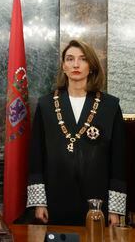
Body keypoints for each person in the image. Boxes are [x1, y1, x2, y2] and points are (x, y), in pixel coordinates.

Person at [27, 39, 126, 226]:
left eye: (82, 59)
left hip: (97, 203)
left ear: (92, 66)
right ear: (63, 66)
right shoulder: (46, 105)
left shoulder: (110, 106)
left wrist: (115, 208)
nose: (76, 64)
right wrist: (38, 202)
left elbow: (118, 160)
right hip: (55, 199)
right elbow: (36, 157)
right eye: (70, 59)